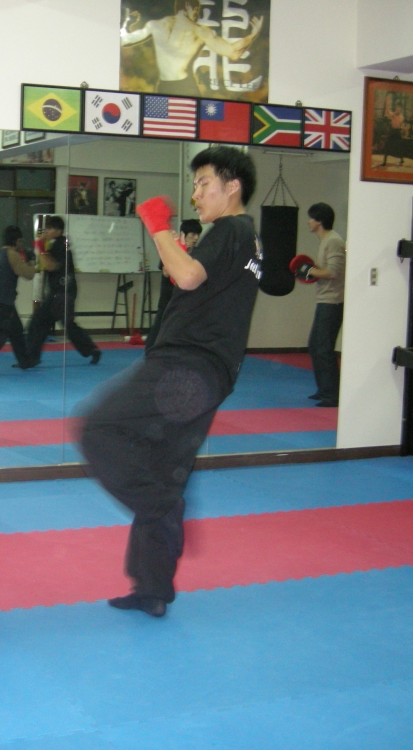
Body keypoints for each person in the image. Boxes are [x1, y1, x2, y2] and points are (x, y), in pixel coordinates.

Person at [81, 146, 262, 618]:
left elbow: (188, 277)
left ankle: (163, 507)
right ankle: (153, 588)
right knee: (162, 467)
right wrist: (176, 254)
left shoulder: (231, 229)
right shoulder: (247, 239)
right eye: (195, 184)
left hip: (187, 367)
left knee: (98, 428)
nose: (196, 193)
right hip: (209, 372)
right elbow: (195, 282)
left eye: (204, 183)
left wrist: (157, 226)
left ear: (232, 187)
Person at [120, 1, 263, 94]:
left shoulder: (155, 25)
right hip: (184, 87)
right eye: (196, 9)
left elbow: (124, 40)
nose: (197, 13)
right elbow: (233, 53)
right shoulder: (199, 31)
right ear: (189, 7)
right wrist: (253, 34)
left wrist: (126, 25)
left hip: (164, 85)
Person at [24, 215, 102, 367]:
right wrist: (43, 246)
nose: (46, 231)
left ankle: (92, 350)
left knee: (62, 324)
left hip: (63, 293)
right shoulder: (57, 244)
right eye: (46, 228)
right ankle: (31, 358)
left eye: (50, 228)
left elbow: (50, 265)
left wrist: (40, 248)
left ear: (58, 231)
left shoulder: (61, 245)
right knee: (40, 323)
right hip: (58, 292)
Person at [0, 225, 37, 375]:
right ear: (17, 240)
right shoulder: (13, 255)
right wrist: (32, 262)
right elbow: (28, 275)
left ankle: (25, 361)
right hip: (5, 301)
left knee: (16, 330)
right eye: (20, 241)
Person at [303, 202, 346, 408]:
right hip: (325, 300)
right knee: (315, 345)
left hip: (333, 302)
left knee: (323, 348)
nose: (308, 222)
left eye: (311, 218)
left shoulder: (334, 241)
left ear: (319, 221)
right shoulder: (326, 241)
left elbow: (333, 272)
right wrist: (311, 272)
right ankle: (324, 390)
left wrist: (311, 271)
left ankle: (332, 395)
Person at [146, 219, 202, 350]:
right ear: (183, 234)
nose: (196, 238)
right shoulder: (172, 249)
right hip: (168, 299)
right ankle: (149, 352)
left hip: (187, 301)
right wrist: (182, 253)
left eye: (198, 235)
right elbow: (167, 272)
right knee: (158, 329)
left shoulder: (198, 254)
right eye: (192, 234)